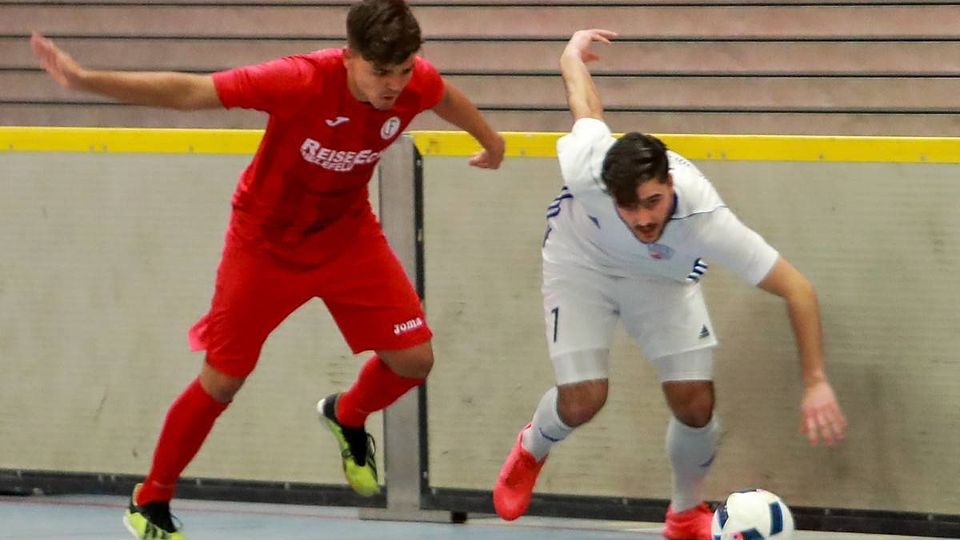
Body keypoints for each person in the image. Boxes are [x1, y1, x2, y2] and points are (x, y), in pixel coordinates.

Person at [31, 1, 504, 538]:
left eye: (403, 70)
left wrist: (491, 141)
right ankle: (151, 500)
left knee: (415, 359)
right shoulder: (299, 80)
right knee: (222, 381)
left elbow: (446, 97)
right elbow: (192, 92)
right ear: (348, 57)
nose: (393, 86)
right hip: (264, 243)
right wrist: (86, 79)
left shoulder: (416, 82)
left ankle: (347, 415)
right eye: (380, 72)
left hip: (347, 235)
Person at [492, 29, 846, 540]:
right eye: (629, 206)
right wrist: (570, 54)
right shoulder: (588, 167)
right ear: (610, 193)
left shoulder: (705, 218)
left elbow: (798, 289)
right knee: (584, 399)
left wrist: (815, 381)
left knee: (695, 403)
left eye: (653, 202)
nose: (642, 218)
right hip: (581, 264)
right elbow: (585, 105)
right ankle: (532, 448)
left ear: (671, 185)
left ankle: (684, 514)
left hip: (661, 279)